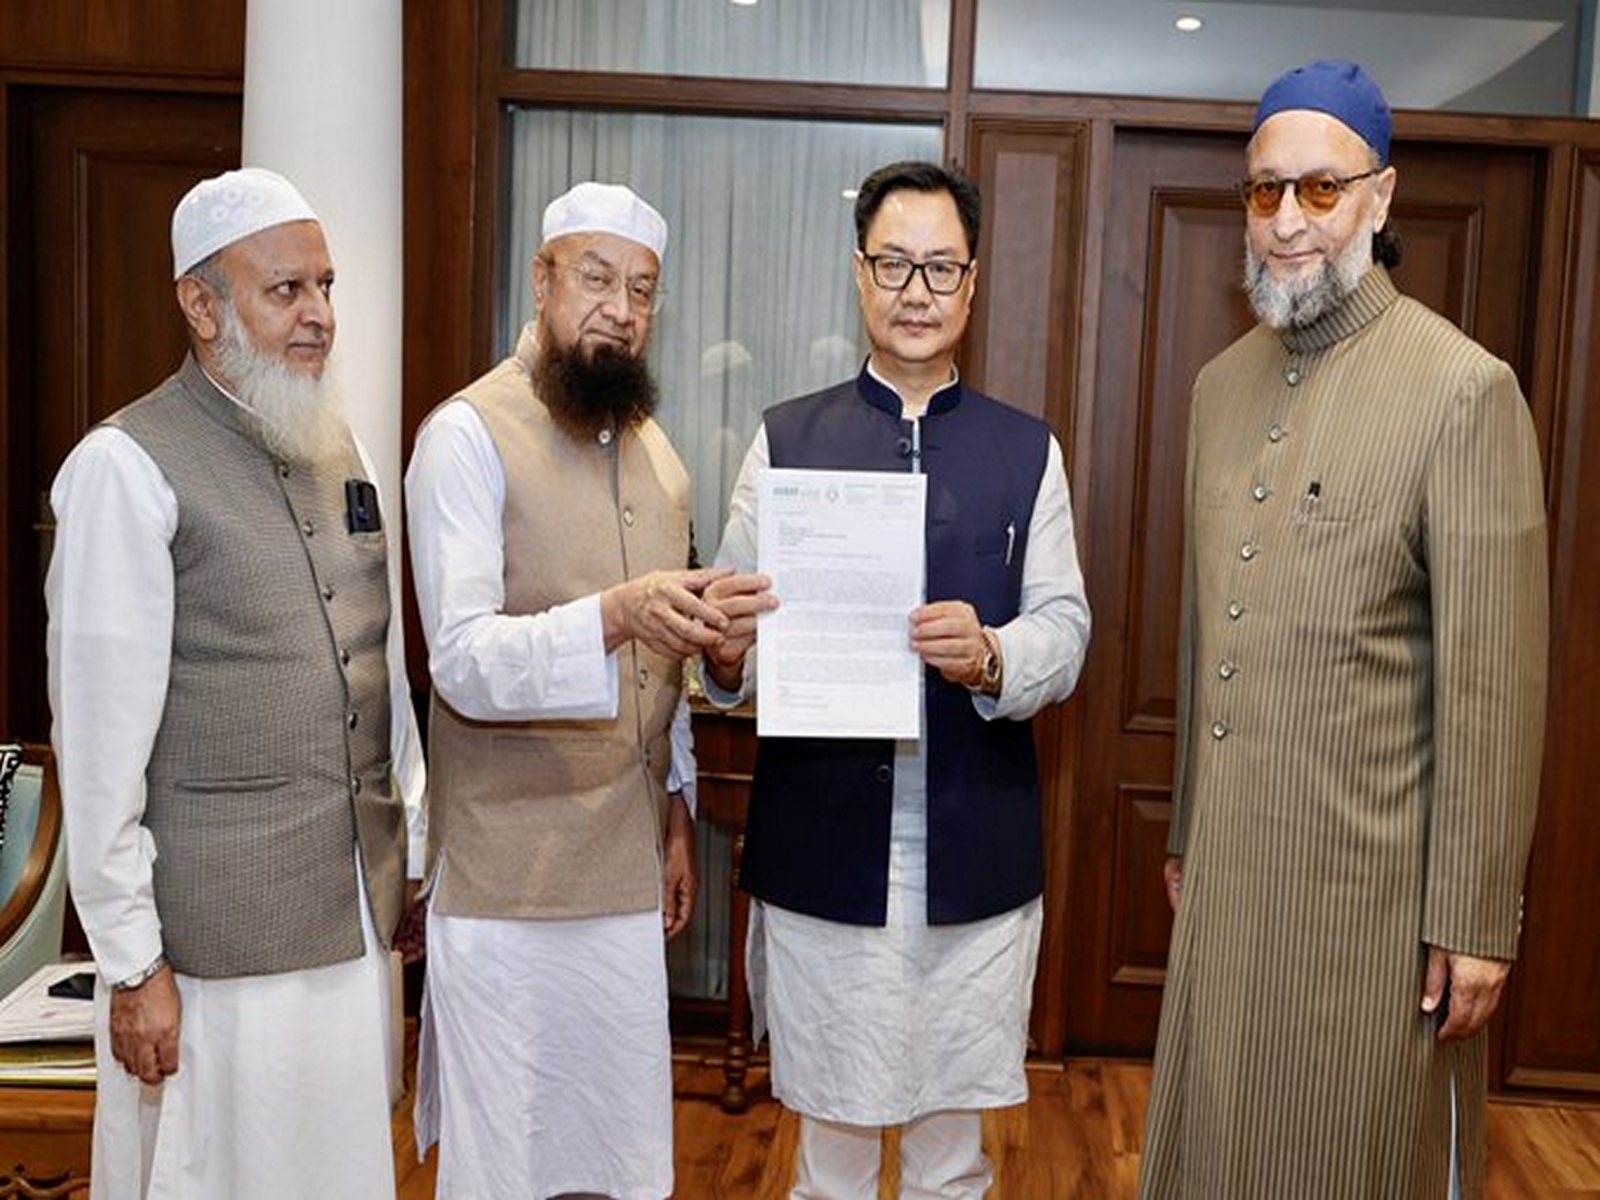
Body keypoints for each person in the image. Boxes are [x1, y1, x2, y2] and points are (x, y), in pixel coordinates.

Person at [1138, 61, 1548, 1200]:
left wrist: (1475, 920)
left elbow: (1492, 683)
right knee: (1214, 1150)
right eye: (1263, 192)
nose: (1285, 221)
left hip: (1372, 906)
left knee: (1346, 1154)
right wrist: (1187, 826)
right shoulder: (1219, 387)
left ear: (1380, 195)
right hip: (1228, 877)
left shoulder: (1463, 391)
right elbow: (1198, 626)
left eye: (1319, 191)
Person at [702, 160, 1092, 1198]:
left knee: (950, 1156)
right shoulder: (788, 438)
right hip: (824, 844)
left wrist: (997, 654)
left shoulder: (1025, 451)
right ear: (858, 274)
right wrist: (727, 651)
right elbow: (726, 633)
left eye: (939, 267)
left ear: (970, 284)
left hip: (974, 853)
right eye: (893, 264)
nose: (915, 290)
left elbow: (1066, 624)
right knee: (826, 1151)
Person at [45, 166, 426, 1200]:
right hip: (209, 953)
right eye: (286, 291)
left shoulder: (331, 444)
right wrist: (133, 967)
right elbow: (97, 750)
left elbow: (373, 660)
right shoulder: (125, 468)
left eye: (326, 286)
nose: (319, 317)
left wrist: (410, 849)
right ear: (201, 303)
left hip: (345, 926)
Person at [406, 181, 741, 1200]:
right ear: (543, 280)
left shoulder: (659, 459)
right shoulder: (465, 435)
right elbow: (459, 658)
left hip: (623, 877)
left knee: (616, 1158)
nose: (621, 310)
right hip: (508, 882)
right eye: (596, 279)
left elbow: (663, 669)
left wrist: (676, 813)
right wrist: (612, 613)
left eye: (642, 290)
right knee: (506, 1160)